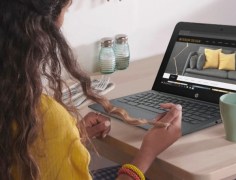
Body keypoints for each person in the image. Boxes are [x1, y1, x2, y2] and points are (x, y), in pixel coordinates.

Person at [0, 0, 182, 180]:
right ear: (45, 24)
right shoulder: (43, 117)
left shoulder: (17, 107)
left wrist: (72, 136)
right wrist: (147, 154)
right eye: (66, 10)